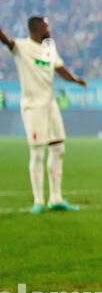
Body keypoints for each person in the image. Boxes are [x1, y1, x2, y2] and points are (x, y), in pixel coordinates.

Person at [0, 16, 87, 213]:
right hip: (33, 107)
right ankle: (38, 200)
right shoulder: (22, 47)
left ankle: (55, 198)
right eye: (45, 27)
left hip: (50, 104)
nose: (48, 30)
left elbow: (58, 68)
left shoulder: (49, 47)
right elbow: (6, 40)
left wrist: (75, 80)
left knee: (58, 149)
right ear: (36, 29)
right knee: (37, 153)